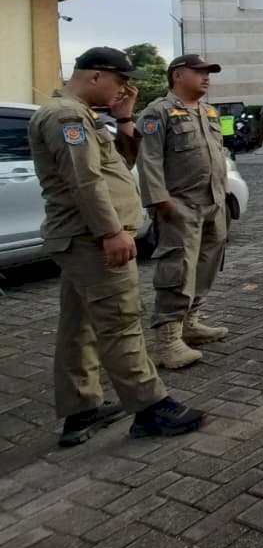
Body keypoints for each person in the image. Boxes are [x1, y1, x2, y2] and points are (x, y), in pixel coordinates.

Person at [28, 47, 204, 445]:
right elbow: (85, 181)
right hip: (90, 238)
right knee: (121, 321)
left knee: (79, 326)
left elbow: (117, 166)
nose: (125, 88)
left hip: (79, 238)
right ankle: (150, 407)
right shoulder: (67, 116)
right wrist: (111, 232)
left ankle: (80, 410)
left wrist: (124, 117)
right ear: (94, 77)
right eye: (120, 81)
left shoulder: (83, 115)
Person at [136, 55, 230, 370]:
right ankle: (167, 340)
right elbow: (147, 159)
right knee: (177, 268)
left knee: (205, 265)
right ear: (178, 75)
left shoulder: (208, 111)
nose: (206, 78)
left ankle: (191, 322)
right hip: (180, 205)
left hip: (213, 202)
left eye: (208, 73)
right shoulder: (157, 112)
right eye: (199, 72)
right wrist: (160, 201)